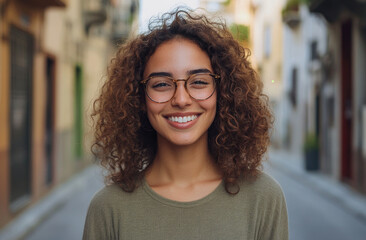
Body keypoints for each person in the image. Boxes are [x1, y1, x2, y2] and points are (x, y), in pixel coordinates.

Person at [83, 8, 288, 240]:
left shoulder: (263, 198)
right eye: (161, 84)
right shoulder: (108, 209)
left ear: (222, 93)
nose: (181, 99)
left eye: (199, 82)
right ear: (139, 99)